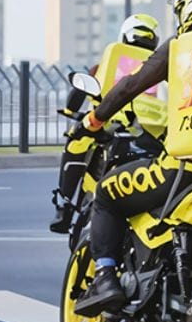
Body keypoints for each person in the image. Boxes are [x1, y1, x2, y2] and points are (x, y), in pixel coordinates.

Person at [73, 0, 192, 317]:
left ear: (189, 9)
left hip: (184, 167)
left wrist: (94, 119)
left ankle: (105, 277)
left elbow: (129, 86)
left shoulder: (183, 47)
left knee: (106, 194)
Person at [50, 13, 161, 233]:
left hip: (109, 126)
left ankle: (64, 205)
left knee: (77, 138)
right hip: (152, 135)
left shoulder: (105, 66)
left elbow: (77, 95)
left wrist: (73, 111)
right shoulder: (160, 68)